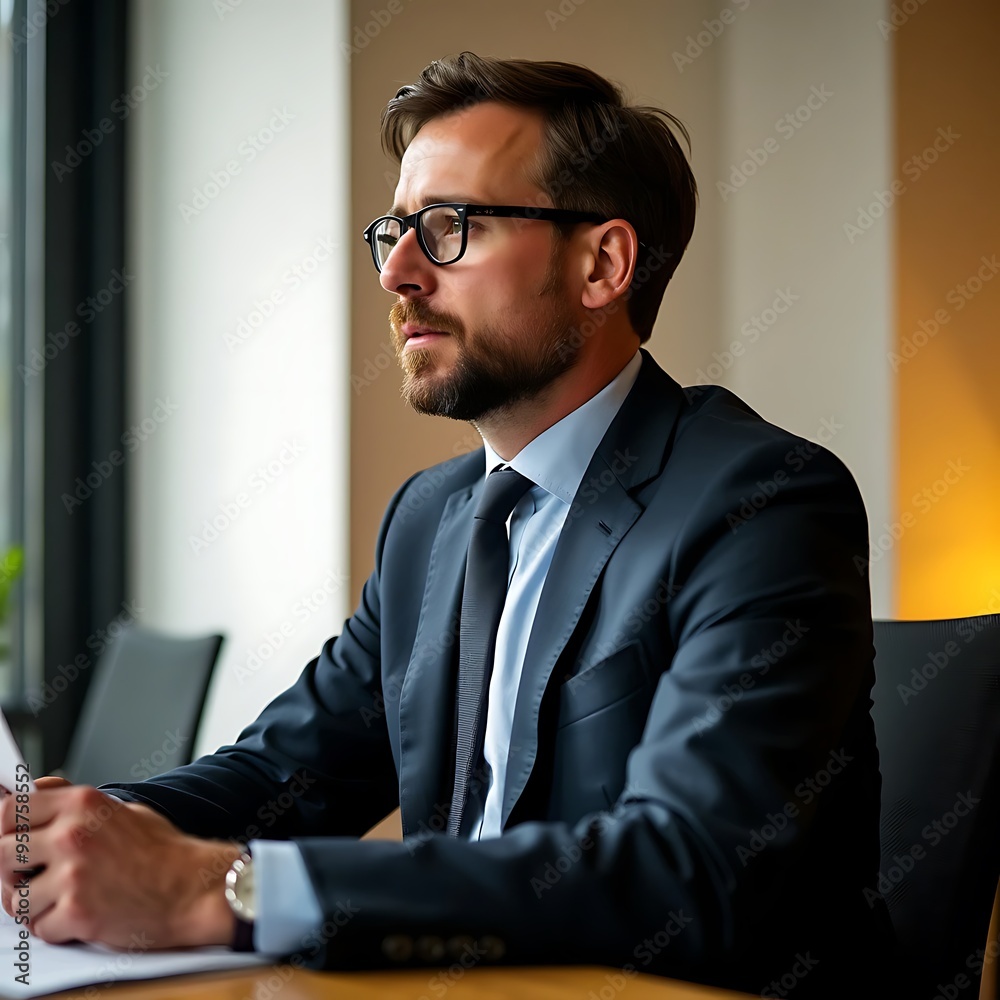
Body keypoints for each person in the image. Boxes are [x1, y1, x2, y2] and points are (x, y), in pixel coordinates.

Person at [0, 52, 893, 997]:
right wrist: (70, 830)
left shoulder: (763, 500)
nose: (396, 271)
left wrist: (233, 891)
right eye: (393, 230)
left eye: (449, 227)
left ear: (602, 264)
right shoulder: (431, 519)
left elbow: (686, 867)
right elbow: (284, 775)